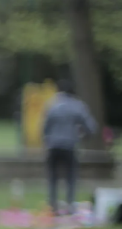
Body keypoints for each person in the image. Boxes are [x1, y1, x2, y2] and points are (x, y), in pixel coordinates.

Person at [42, 78, 98, 214]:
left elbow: (45, 128)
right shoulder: (77, 106)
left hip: (53, 146)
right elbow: (91, 127)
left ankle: (53, 205)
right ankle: (70, 206)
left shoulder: (51, 104)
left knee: (53, 177)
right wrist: (83, 136)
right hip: (69, 145)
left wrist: (48, 140)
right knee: (71, 176)